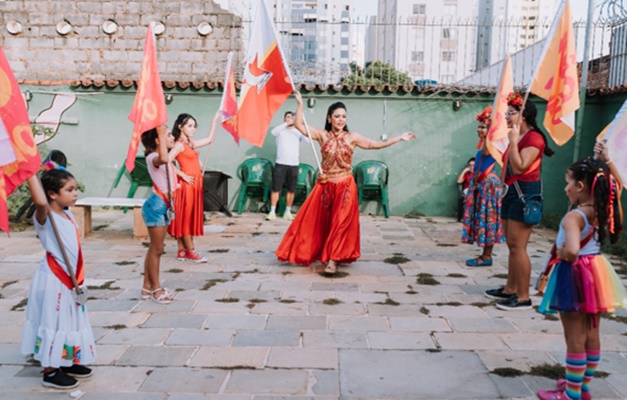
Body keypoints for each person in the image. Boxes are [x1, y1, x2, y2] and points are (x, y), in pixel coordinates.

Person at [276, 91, 416, 274]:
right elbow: (299, 124)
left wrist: (399, 138)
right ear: (329, 118)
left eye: (343, 116)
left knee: (339, 223)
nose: (341, 120)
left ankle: (333, 260)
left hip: (345, 187)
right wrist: (300, 105)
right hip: (325, 187)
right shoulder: (322, 135)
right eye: (337, 116)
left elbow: (374, 144)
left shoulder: (352, 137)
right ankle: (326, 252)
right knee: (320, 223)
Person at [536, 157, 626, 400]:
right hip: (596, 273)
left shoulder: (574, 217)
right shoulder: (601, 210)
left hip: (574, 275)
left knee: (574, 337)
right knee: (591, 332)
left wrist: (564, 252)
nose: (565, 187)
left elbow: (573, 251)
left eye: (568, 182)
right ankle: (582, 387)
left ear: (580, 186)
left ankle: (571, 394)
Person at [21, 167, 97, 389]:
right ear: (52, 194)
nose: (75, 193)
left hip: (71, 279)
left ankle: (67, 358)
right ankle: (51, 370)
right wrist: (29, 171)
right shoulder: (45, 217)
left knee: (70, 319)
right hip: (55, 278)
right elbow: (41, 202)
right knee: (54, 320)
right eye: (70, 189)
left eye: (75, 189)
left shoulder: (67, 213)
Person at [485, 93, 554, 310]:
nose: (506, 116)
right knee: (512, 245)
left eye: (511, 113)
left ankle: (523, 296)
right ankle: (510, 289)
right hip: (511, 192)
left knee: (518, 246)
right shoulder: (519, 137)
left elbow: (521, 166)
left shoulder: (534, 139)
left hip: (525, 192)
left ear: (523, 116)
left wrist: (513, 142)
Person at [168, 112, 220, 263]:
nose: (193, 129)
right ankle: (191, 251)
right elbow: (166, 161)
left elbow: (210, 139)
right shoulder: (178, 145)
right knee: (186, 217)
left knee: (185, 216)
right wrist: (182, 174)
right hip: (187, 185)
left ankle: (181, 250)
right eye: (189, 126)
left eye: (194, 126)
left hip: (195, 183)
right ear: (180, 127)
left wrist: (214, 121)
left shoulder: (190, 144)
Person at [462, 106, 504, 266]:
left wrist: (491, 125)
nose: (480, 130)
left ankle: (487, 256)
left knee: (488, 219)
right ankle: (485, 254)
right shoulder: (482, 147)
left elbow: (487, 150)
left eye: (483, 127)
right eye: (479, 127)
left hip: (488, 187)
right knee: (483, 218)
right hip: (480, 186)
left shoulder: (491, 145)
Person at [141, 125, 177, 304]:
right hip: (156, 205)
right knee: (157, 249)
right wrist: (162, 134)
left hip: (163, 205)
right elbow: (162, 157)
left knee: (155, 249)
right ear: (158, 141)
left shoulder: (165, 159)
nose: (172, 138)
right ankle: (156, 289)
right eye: (168, 135)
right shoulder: (153, 157)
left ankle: (147, 286)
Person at [266, 111, 309, 221]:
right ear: (284, 119)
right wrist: (287, 123)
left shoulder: (297, 132)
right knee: (276, 189)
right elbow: (273, 132)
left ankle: (288, 212)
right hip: (280, 164)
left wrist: (302, 125)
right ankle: (272, 211)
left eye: (292, 117)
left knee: (291, 189)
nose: (290, 119)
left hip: (293, 165)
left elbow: (309, 141)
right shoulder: (280, 131)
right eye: (288, 117)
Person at [456, 157, 475, 222]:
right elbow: (459, 181)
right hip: (467, 193)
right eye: (470, 165)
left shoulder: (479, 174)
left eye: (473, 165)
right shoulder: (467, 175)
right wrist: (464, 171)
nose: (471, 167)